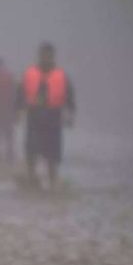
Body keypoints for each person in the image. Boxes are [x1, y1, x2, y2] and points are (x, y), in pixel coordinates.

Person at [17, 42, 76, 189]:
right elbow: (20, 94)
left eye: (49, 55)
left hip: (53, 119)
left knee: (52, 157)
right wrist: (17, 111)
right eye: (43, 55)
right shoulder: (30, 74)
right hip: (34, 118)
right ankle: (31, 181)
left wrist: (70, 115)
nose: (46, 58)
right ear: (39, 56)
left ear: (53, 57)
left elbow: (70, 98)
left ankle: (52, 185)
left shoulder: (61, 76)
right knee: (31, 154)